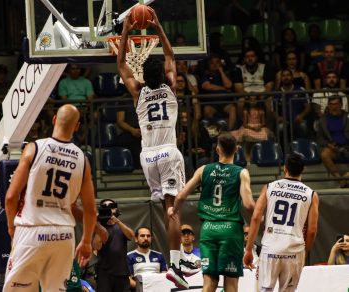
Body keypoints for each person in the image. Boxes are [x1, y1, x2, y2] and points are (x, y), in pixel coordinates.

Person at [117, 7, 194, 289]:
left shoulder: (138, 92)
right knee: (173, 209)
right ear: (162, 74)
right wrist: (158, 27)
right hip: (168, 151)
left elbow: (122, 65)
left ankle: (176, 264)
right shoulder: (171, 86)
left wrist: (126, 29)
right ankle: (175, 264)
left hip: (147, 156)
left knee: (165, 206)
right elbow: (171, 56)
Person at [3, 104, 97, 291]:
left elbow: (11, 196)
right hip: (64, 234)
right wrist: (86, 241)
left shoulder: (34, 148)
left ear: (54, 119)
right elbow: (90, 209)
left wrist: (12, 227)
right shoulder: (82, 159)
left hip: (32, 229)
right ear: (76, 126)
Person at [168, 132, 256, 292]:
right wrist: (260, 215)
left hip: (209, 230)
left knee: (209, 282)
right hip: (230, 231)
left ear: (217, 150)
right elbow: (249, 204)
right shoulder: (241, 172)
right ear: (236, 150)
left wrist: (173, 209)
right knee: (231, 283)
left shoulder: (203, 170)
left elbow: (181, 195)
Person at [243, 152, 319, 292]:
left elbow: (255, 218)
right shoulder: (311, 194)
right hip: (294, 251)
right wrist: (304, 252)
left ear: (285, 168)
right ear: (304, 169)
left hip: (270, 250)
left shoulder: (270, 187)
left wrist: (248, 249)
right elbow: (312, 231)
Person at [94, 199, 135, 292]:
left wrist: (118, 222)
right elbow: (97, 246)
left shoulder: (121, 226)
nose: (109, 208)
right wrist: (100, 225)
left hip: (122, 272)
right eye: (105, 206)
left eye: (112, 206)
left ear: (116, 209)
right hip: (104, 273)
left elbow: (131, 236)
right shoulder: (98, 227)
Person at [317, 96, 349, 188]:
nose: (334, 107)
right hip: (334, 148)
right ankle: (341, 181)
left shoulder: (347, 117)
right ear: (328, 106)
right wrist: (328, 145)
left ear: (341, 105)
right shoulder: (323, 120)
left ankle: (346, 176)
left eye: (336, 104)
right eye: (331, 104)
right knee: (324, 154)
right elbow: (319, 138)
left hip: (347, 146)